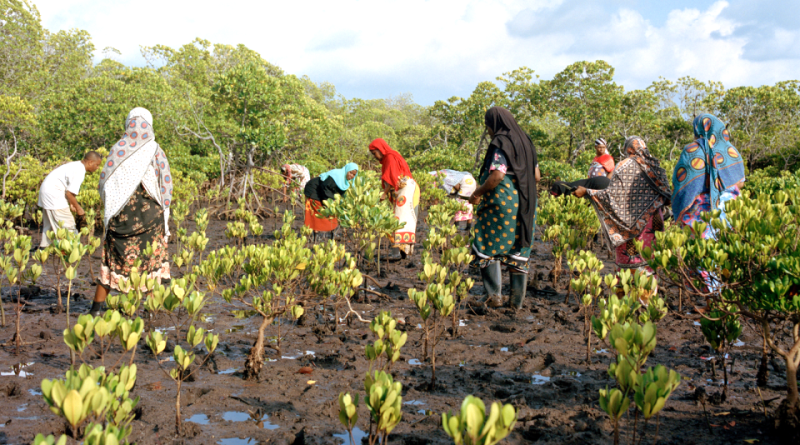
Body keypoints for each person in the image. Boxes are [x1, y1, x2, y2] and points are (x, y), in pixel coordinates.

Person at [89, 107, 172, 316]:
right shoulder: (155, 150)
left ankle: (96, 311)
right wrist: (166, 213)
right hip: (151, 219)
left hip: (120, 221)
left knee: (111, 263)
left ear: (128, 124)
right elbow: (166, 185)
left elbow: (104, 184)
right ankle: (150, 313)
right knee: (152, 265)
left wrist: (112, 211)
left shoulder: (117, 149)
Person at [574, 137, 671, 292]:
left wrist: (588, 192)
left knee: (628, 263)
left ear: (629, 150)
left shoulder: (624, 166)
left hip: (628, 228)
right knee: (649, 261)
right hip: (652, 224)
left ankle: (625, 301)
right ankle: (647, 298)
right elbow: (667, 197)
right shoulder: (655, 167)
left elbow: (611, 196)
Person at [469, 107, 538, 309]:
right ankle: (516, 303)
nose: (489, 131)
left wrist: (478, 193)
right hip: (525, 206)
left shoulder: (501, 142)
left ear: (494, 124)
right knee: (518, 250)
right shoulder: (526, 142)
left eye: (488, 126)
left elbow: (497, 176)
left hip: (502, 205)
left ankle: (494, 296)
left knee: (486, 243)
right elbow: (536, 177)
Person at [673, 114, 745, 290]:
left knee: (701, 254)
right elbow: (740, 182)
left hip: (699, 213)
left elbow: (683, 185)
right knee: (724, 254)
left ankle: (707, 300)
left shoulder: (692, 150)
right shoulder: (731, 151)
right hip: (729, 210)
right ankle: (723, 299)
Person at [37, 151, 103, 247]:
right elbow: (69, 193)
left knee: (50, 224)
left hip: (46, 191)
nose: (97, 168)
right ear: (90, 162)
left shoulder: (76, 165)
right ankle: (73, 249)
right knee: (68, 224)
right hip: (54, 194)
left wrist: (71, 203)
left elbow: (68, 189)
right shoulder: (80, 171)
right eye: (97, 165)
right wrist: (79, 209)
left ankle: (44, 247)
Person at [369, 138, 418, 261]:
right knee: (404, 218)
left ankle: (399, 251)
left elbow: (392, 177)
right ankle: (404, 251)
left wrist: (384, 194)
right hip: (405, 189)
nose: (375, 156)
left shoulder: (390, 157)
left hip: (406, 189)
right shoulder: (390, 157)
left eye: (375, 153)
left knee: (400, 218)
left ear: (380, 149)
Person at [303, 163, 359, 238]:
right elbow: (324, 186)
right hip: (314, 189)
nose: (351, 176)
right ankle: (315, 237)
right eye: (350, 172)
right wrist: (328, 203)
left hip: (323, 192)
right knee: (317, 212)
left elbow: (339, 195)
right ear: (346, 170)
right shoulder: (336, 175)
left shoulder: (344, 181)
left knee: (332, 214)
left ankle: (330, 235)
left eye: (354, 175)